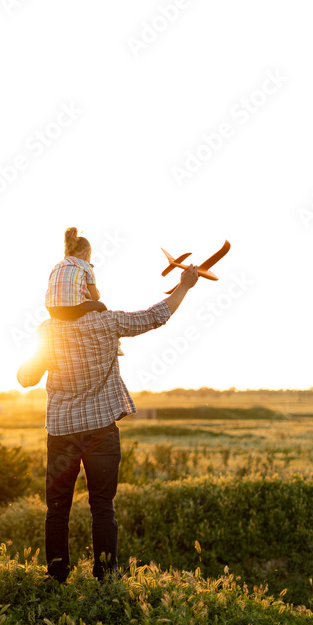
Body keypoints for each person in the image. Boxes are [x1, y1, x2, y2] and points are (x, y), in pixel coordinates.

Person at [18, 262, 200, 583]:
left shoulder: (47, 331)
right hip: (101, 430)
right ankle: (107, 576)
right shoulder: (107, 322)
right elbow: (157, 315)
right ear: (82, 292)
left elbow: (25, 378)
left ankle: (57, 574)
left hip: (61, 432)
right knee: (102, 506)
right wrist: (184, 285)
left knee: (57, 507)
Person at [45, 227, 123, 356]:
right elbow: (95, 296)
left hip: (53, 310)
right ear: (87, 254)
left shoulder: (58, 265)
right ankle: (116, 345)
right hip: (72, 309)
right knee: (101, 307)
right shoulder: (86, 266)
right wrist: (96, 293)